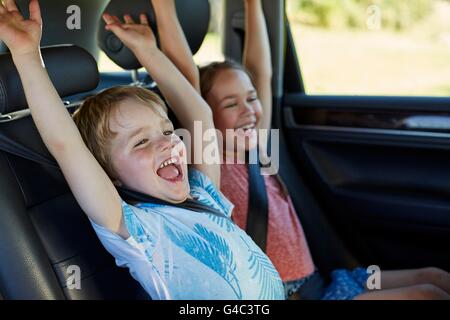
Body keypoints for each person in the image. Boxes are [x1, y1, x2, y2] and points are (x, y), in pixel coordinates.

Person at [152, 0, 450, 299]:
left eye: (251, 98)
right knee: (426, 294)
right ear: (205, 114)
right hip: (300, 296)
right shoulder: (211, 164)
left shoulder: (262, 152)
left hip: (333, 281)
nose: (249, 110)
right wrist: (163, 10)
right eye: (230, 104)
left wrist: (254, 5)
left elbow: (261, 71)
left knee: (434, 277)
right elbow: (185, 81)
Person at [0, 0, 286, 300]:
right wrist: (25, 54)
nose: (166, 142)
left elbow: (200, 115)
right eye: (140, 142)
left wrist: (147, 50)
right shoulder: (135, 230)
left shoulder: (204, 196)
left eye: (166, 131)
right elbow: (66, 145)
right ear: (109, 175)